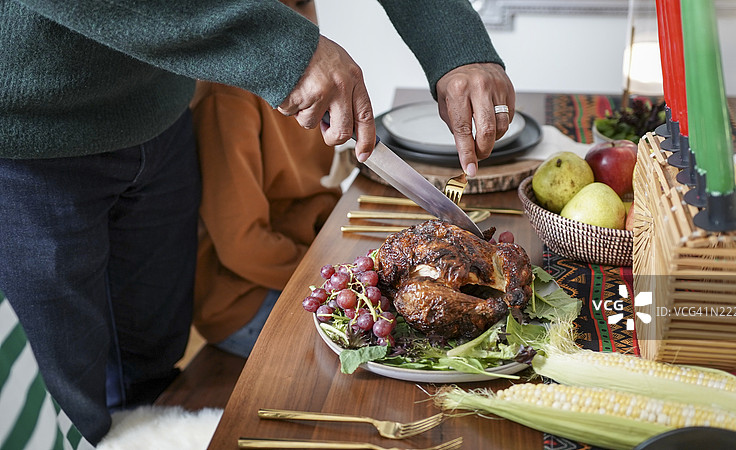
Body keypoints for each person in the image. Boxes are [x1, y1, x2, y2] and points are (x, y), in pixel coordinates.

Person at [0, 0, 515, 444]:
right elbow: (242, 241)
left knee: (152, 365)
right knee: (64, 401)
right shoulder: (234, 105)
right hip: (34, 139)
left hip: (160, 116)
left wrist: (456, 46)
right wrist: (284, 49)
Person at [191, 0, 341, 359]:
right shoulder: (227, 95)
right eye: (279, 9)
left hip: (306, 261)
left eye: (304, 4)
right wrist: (337, 278)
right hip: (247, 298)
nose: (299, 26)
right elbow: (243, 245)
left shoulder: (310, 82)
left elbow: (316, 190)